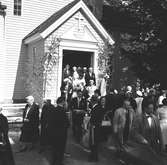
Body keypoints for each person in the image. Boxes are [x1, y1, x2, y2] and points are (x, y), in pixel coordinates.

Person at [47, 97, 69, 165]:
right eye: (65, 101)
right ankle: (59, 162)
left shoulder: (54, 109)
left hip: (54, 133)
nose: (66, 103)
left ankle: (54, 162)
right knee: (60, 149)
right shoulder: (63, 111)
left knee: (54, 149)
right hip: (61, 134)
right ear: (62, 102)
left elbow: (50, 122)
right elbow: (67, 123)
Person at [88, 96, 104, 162]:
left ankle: (93, 157)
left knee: (93, 143)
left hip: (94, 128)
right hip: (97, 127)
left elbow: (94, 119)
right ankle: (95, 157)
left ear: (92, 101)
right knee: (95, 143)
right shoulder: (99, 107)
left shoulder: (96, 108)